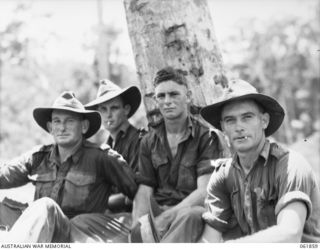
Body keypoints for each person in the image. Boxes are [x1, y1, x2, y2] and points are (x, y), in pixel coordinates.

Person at [0, 91, 138, 243]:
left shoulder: (102, 157)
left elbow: (138, 191)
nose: (62, 128)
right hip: (42, 233)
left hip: (76, 236)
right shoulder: (38, 157)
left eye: (70, 121)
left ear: (84, 126)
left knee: (46, 206)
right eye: (57, 121)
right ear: (50, 127)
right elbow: (4, 175)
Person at [199, 79, 320, 243]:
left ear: (264, 121)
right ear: (223, 127)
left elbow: (290, 235)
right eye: (230, 120)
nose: (238, 127)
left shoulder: (289, 165)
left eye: (247, 117)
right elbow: (209, 240)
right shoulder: (223, 176)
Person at [131, 67, 227, 243]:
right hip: (160, 213)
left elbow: (204, 192)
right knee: (137, 230)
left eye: (174, 94)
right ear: (155, 100)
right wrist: (138, 226)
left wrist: (168, 217)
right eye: (161, 96)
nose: (167, 101)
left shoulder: (206, 137)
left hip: (191, 211)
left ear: (188, 96)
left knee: (192, 215)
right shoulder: (148, 141)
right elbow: (145, 189)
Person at [85, 79, 145, 213]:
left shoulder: (140, 141)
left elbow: (137, 193)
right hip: (109, 214)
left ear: (126, 109)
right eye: (103, 109)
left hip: (133, 215)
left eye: (114, 108)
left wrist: (98, 203)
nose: (108, 115)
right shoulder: (104, 148)